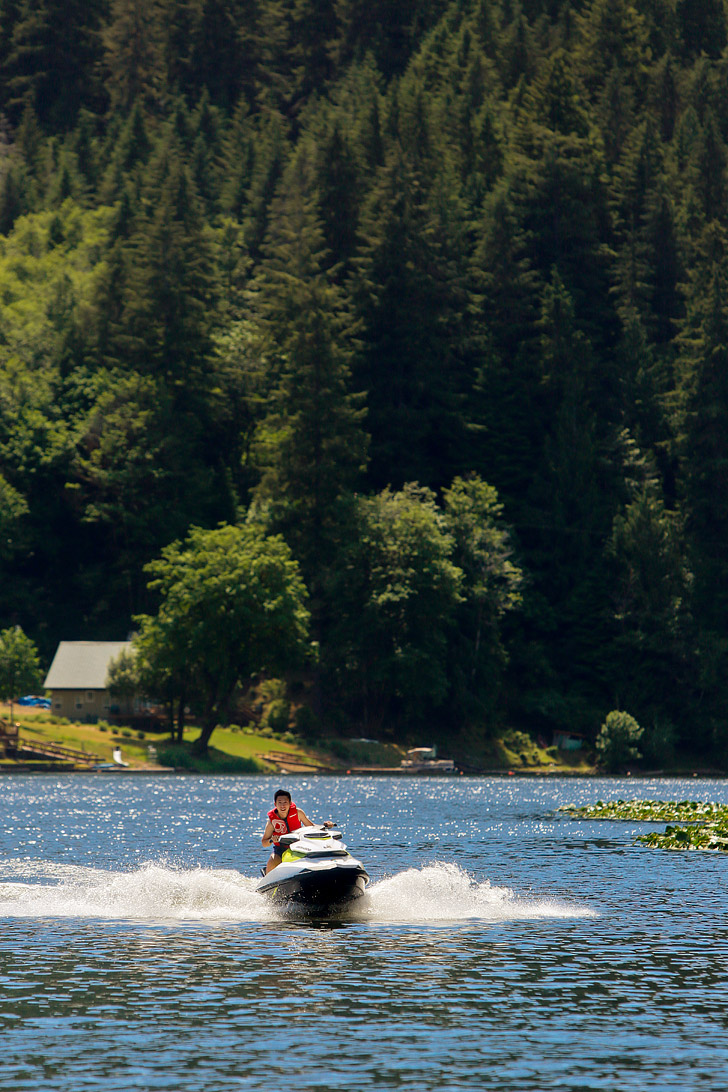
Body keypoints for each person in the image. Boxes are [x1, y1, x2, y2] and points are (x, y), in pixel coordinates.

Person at [261, 788, 333, 874]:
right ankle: (269, 877)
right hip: (281, 849)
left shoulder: (298, 813)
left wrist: (325, 826)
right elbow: (264, 843)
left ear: (290, 803)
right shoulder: (271, 822)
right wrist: (271, 840)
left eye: (285, 803)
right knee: (272, 863)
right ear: (275, 804)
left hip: (299, 847)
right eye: (279, 803)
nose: (282, 806)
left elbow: (312, 827)